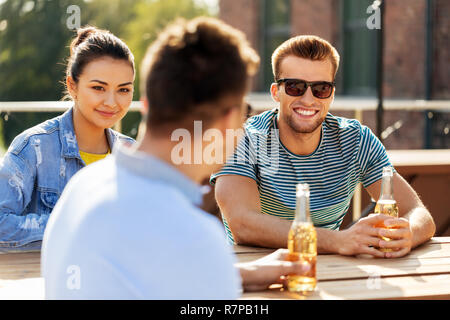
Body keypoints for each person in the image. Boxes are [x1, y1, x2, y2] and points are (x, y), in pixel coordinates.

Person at [42, 17, 308, 299]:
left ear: (148, 103)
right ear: (230, 119)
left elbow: (138, 269)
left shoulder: (85, 185)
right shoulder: (193, 235)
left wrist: (231, 274)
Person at [211, 35, 436, 259]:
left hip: (331, 272)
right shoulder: (242, 138)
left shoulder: (356, 140)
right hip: (254, 278)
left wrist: (408, 233)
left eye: (321, 88)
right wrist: (339, 240)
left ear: (331, 95)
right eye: (294, 87)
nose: (308, 99)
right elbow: (243, 224)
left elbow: (418, 213)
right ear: (275, 93)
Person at [0, 26, 135, 251]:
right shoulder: (33, 148)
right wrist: (72, 224)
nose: (112, 102)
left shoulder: (134, 155)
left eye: (123, 90)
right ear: (72, 86)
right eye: (98, 88)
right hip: (44, 283)